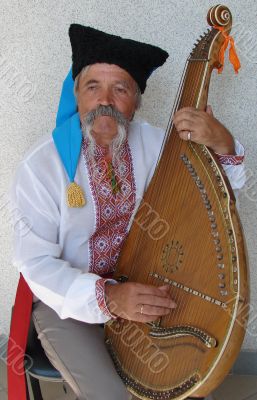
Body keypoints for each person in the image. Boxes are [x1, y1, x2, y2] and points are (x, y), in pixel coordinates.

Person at [9, 25, 245, 400]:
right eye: (92, 87)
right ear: (76, 94)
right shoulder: (43, 165)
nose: (105, 100)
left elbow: (211, 198)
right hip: (67, 301)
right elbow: (35, 263)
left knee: (188, 383)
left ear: (136, 100)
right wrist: (110, 297)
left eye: (119, 89)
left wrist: (223, 144)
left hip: (147, 281)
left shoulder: (157, 144)